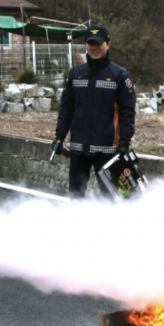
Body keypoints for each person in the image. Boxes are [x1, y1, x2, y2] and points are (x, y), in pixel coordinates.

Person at [53, 24, 136, 198]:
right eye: (91, 43)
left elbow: (127, 112)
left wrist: (124, 144)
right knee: (75, 196)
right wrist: (59, 137)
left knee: (114, 198)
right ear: (86, 46)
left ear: (108, 44)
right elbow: (67, 108)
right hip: (78, 148)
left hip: (108, 150)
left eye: (98, 44)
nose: (94, 48)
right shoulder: (75, 74)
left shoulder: (120, 76)